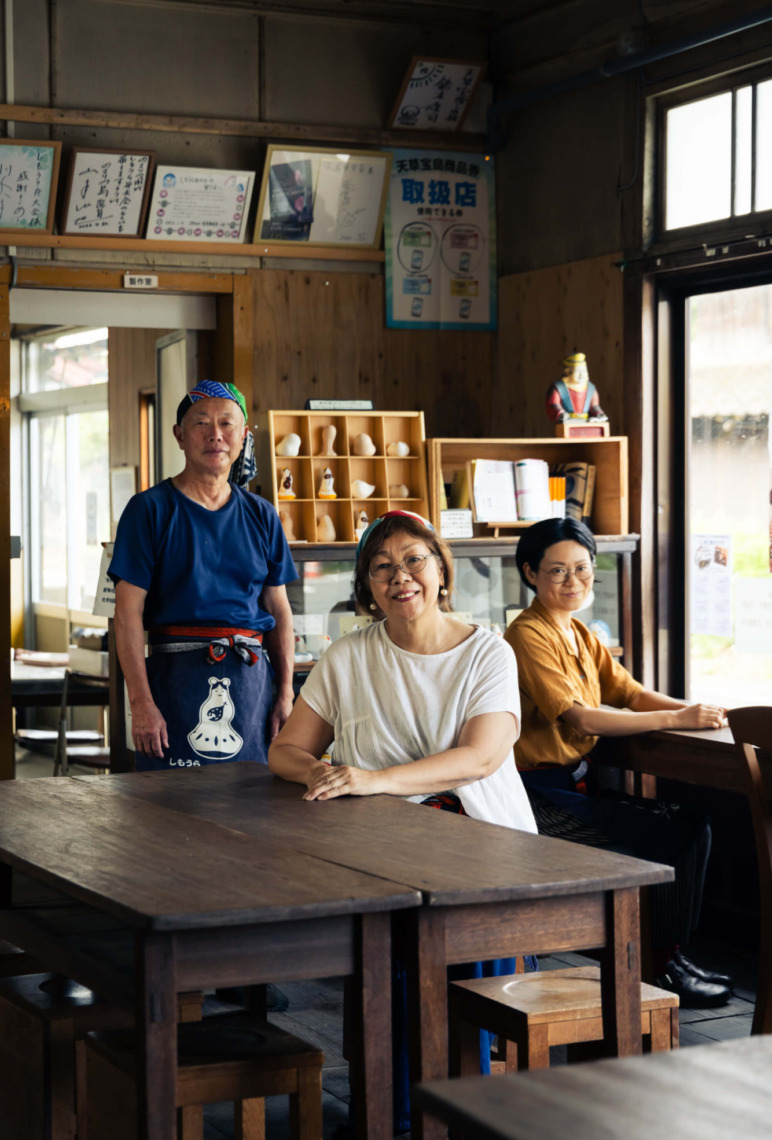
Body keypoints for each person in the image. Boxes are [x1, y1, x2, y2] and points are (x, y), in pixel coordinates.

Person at [268, 509, 536, 1129]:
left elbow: (480, 757)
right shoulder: (348, 656)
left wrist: (370, 780)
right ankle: (387, 1117)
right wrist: (321, 773)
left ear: (442, 570)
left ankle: (462, 1114)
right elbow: (286, 749)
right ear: (366, 587)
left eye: (415, 559)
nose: (401, 576)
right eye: (382, 567)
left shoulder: (488, 654)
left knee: (466, 989)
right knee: (382, 979)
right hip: (381, 850)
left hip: (486, 849)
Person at [504, 516, 732, 1007]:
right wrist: (676, 722)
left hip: (574, 788)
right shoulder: (527, 635)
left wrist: (701, 712)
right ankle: (661, 964)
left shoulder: (580, 633)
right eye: (558, 571)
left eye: (583, 569)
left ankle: (666, 956)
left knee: (689, 827)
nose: (573, 582)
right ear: (530, 573)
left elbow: (628, 693)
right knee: (676, 833)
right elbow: (582, 720)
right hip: (538, 800)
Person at [109, 379, 297, 771]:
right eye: (201, 424)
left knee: (253, 809)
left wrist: (284, 693)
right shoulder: (149, 510)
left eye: (227, 424)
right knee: (170, 813)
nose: (216, 435)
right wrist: (140, 703)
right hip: (174, 681)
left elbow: (278, 609)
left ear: (243, 436)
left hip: (251, 683)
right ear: (179, 435)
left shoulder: (261, 515)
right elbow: (127, 613)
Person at [546, 351, 608, 424]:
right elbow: (554, 404)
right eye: (578, 372)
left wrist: (599, 413)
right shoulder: (558, 388)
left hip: (586, 421)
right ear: (567, 371)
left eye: (584, 372)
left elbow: (594, 405)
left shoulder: (591, 388)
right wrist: (561, 413)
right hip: (567, 421)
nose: (581, 375)